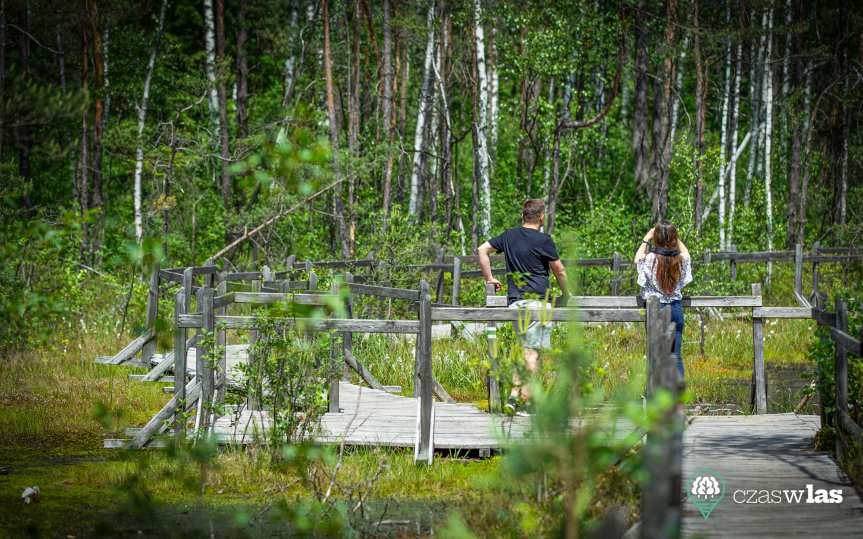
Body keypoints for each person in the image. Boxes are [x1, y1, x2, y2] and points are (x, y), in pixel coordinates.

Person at [477, 199, 569, 413]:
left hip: (516, 304)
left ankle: (516, 397)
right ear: (541, 217)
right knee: (532, 354)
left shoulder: (509, 235)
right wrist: (566, 294)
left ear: (523, 215)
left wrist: (489, 278)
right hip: (538, 304)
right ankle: (524, 402)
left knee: (528, 351)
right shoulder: (544, 240)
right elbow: (560, 271)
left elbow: (482, 250)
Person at [634, 223, 692, 377]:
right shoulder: (680, 260)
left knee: (657, 356)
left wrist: (647, 237)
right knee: (675, 355)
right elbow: (687, 254)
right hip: (675, 307)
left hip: (656, 308)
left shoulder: (651, 259)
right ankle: (678, 397)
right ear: (674, 239)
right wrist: (674, 237)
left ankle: (658, 397)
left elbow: (638, 258)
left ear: (656, 238)